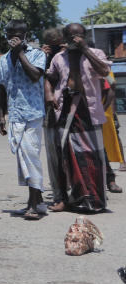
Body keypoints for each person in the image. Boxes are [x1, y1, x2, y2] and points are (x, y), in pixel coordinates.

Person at [44, 23, 111, 213]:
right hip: (65, 111)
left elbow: (105, 72)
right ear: (65, 38)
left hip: (88, 111)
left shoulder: (96, 53)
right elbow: (49, 77)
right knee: (64, 155)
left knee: (91, 157)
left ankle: (94, 200)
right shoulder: (59, 57)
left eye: (79, 36)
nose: (76, 40)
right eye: (72, 36)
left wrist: (84, 50)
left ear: (84, 36)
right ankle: (65, 199)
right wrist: (49, 94)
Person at [0, 19, 48, 219]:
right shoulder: (5, 59)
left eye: (16, 34)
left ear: (25, 35)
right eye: (9, 34)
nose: (12, 38)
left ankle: (34, 204)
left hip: (32, 113)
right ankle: (37, 200)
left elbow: (35, 76)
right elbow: (2, 87)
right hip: (15, 115)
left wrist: (20, 54)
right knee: (23, 158)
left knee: (30, 156)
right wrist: (1, 116)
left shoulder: (38, 54)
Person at [40, 27, 67, 203]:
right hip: (50, 111)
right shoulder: (42, 56)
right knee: (54, 155)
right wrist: (42, 57)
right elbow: (39, 77)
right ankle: (59, 194)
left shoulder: (70, 55)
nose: (56, 48)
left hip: (73, 109)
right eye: (52, 45)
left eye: (58, 43)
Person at [101, 75, 124, 192]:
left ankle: (111, 179)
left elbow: (112, 86)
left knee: (102, 147)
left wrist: (107, 110)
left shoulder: (100, 65)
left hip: (102, 113)